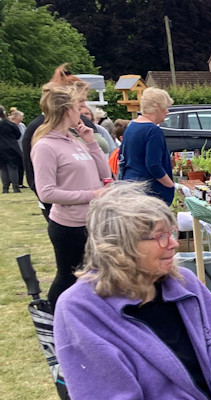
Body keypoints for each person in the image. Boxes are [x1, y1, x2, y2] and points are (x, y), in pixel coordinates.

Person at [53, 182, 211, 399]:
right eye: (160, 236)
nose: (174, 244)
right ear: (120, 246)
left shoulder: (184, 284)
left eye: (171, 233)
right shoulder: (82, 309)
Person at [30, 84, 111, 307]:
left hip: (92, 221)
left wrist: (91, 142)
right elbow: (46, 192)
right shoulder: (46, 146)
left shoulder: (74, 139)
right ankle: (55, 319)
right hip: (68, 227)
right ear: (68, 111)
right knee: (69, 279)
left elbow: (106, 175)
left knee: (95, 277)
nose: (82, 111)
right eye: (79, 106)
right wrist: (92, 194)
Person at [23, 64, 98, 221]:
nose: (84, 107)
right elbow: (39, 181)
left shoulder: (78, 129)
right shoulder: (41, 133)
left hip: (90, 210)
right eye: (81, 101)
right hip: (67, 214)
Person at [118, 88, 175, 205]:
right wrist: (171, 185)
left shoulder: (131, 126)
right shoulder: (153, 131)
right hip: (148, 191)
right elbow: (154, 165)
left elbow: (122, 156)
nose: (167, 111)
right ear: (157, 107)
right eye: (165, 107)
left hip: (130, 185)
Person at [0, 106, 22, 193]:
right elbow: (18, 135)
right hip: (11, 147)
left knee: (3, 168)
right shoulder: (9, 124)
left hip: (0, 148)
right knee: (13, 167)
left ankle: (5, 188)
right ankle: (16, 188)